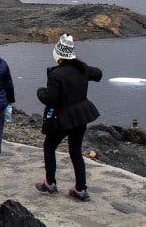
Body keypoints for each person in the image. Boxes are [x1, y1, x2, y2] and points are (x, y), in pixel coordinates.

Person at [35, 33, 102, 202]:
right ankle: (80, 189)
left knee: (49, 147)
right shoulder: (82, 68)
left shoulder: (56, 75)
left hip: (62, 118)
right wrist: (85, 70)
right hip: (81, 116)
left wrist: (40, 91)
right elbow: (98, 74)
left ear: (58, 55)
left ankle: (49, 183)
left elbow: (50, 99)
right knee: (75, 152)